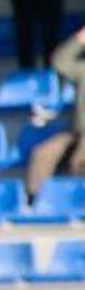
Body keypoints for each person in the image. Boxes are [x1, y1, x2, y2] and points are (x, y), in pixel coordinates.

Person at [27, 26, 85, 195]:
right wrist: (80, 39)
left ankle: (74, 201)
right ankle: (36, 201)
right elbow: (60, 61)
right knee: (43, 153)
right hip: (77, 133)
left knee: (80, 159)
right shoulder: (83, 70)